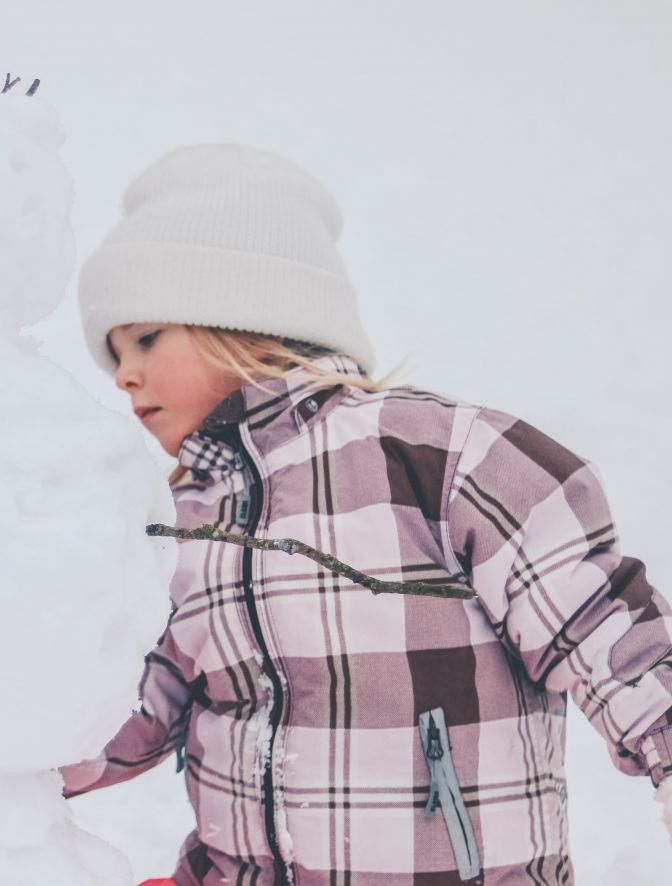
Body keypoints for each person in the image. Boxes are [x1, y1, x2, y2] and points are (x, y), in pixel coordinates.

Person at [65, 144, 672, 884]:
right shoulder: (179, 520)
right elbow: (125, 712)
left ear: (240, 314)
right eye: (113, 352)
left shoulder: (441, 456)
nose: (123, 374)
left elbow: (603, 628)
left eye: (145, 338)